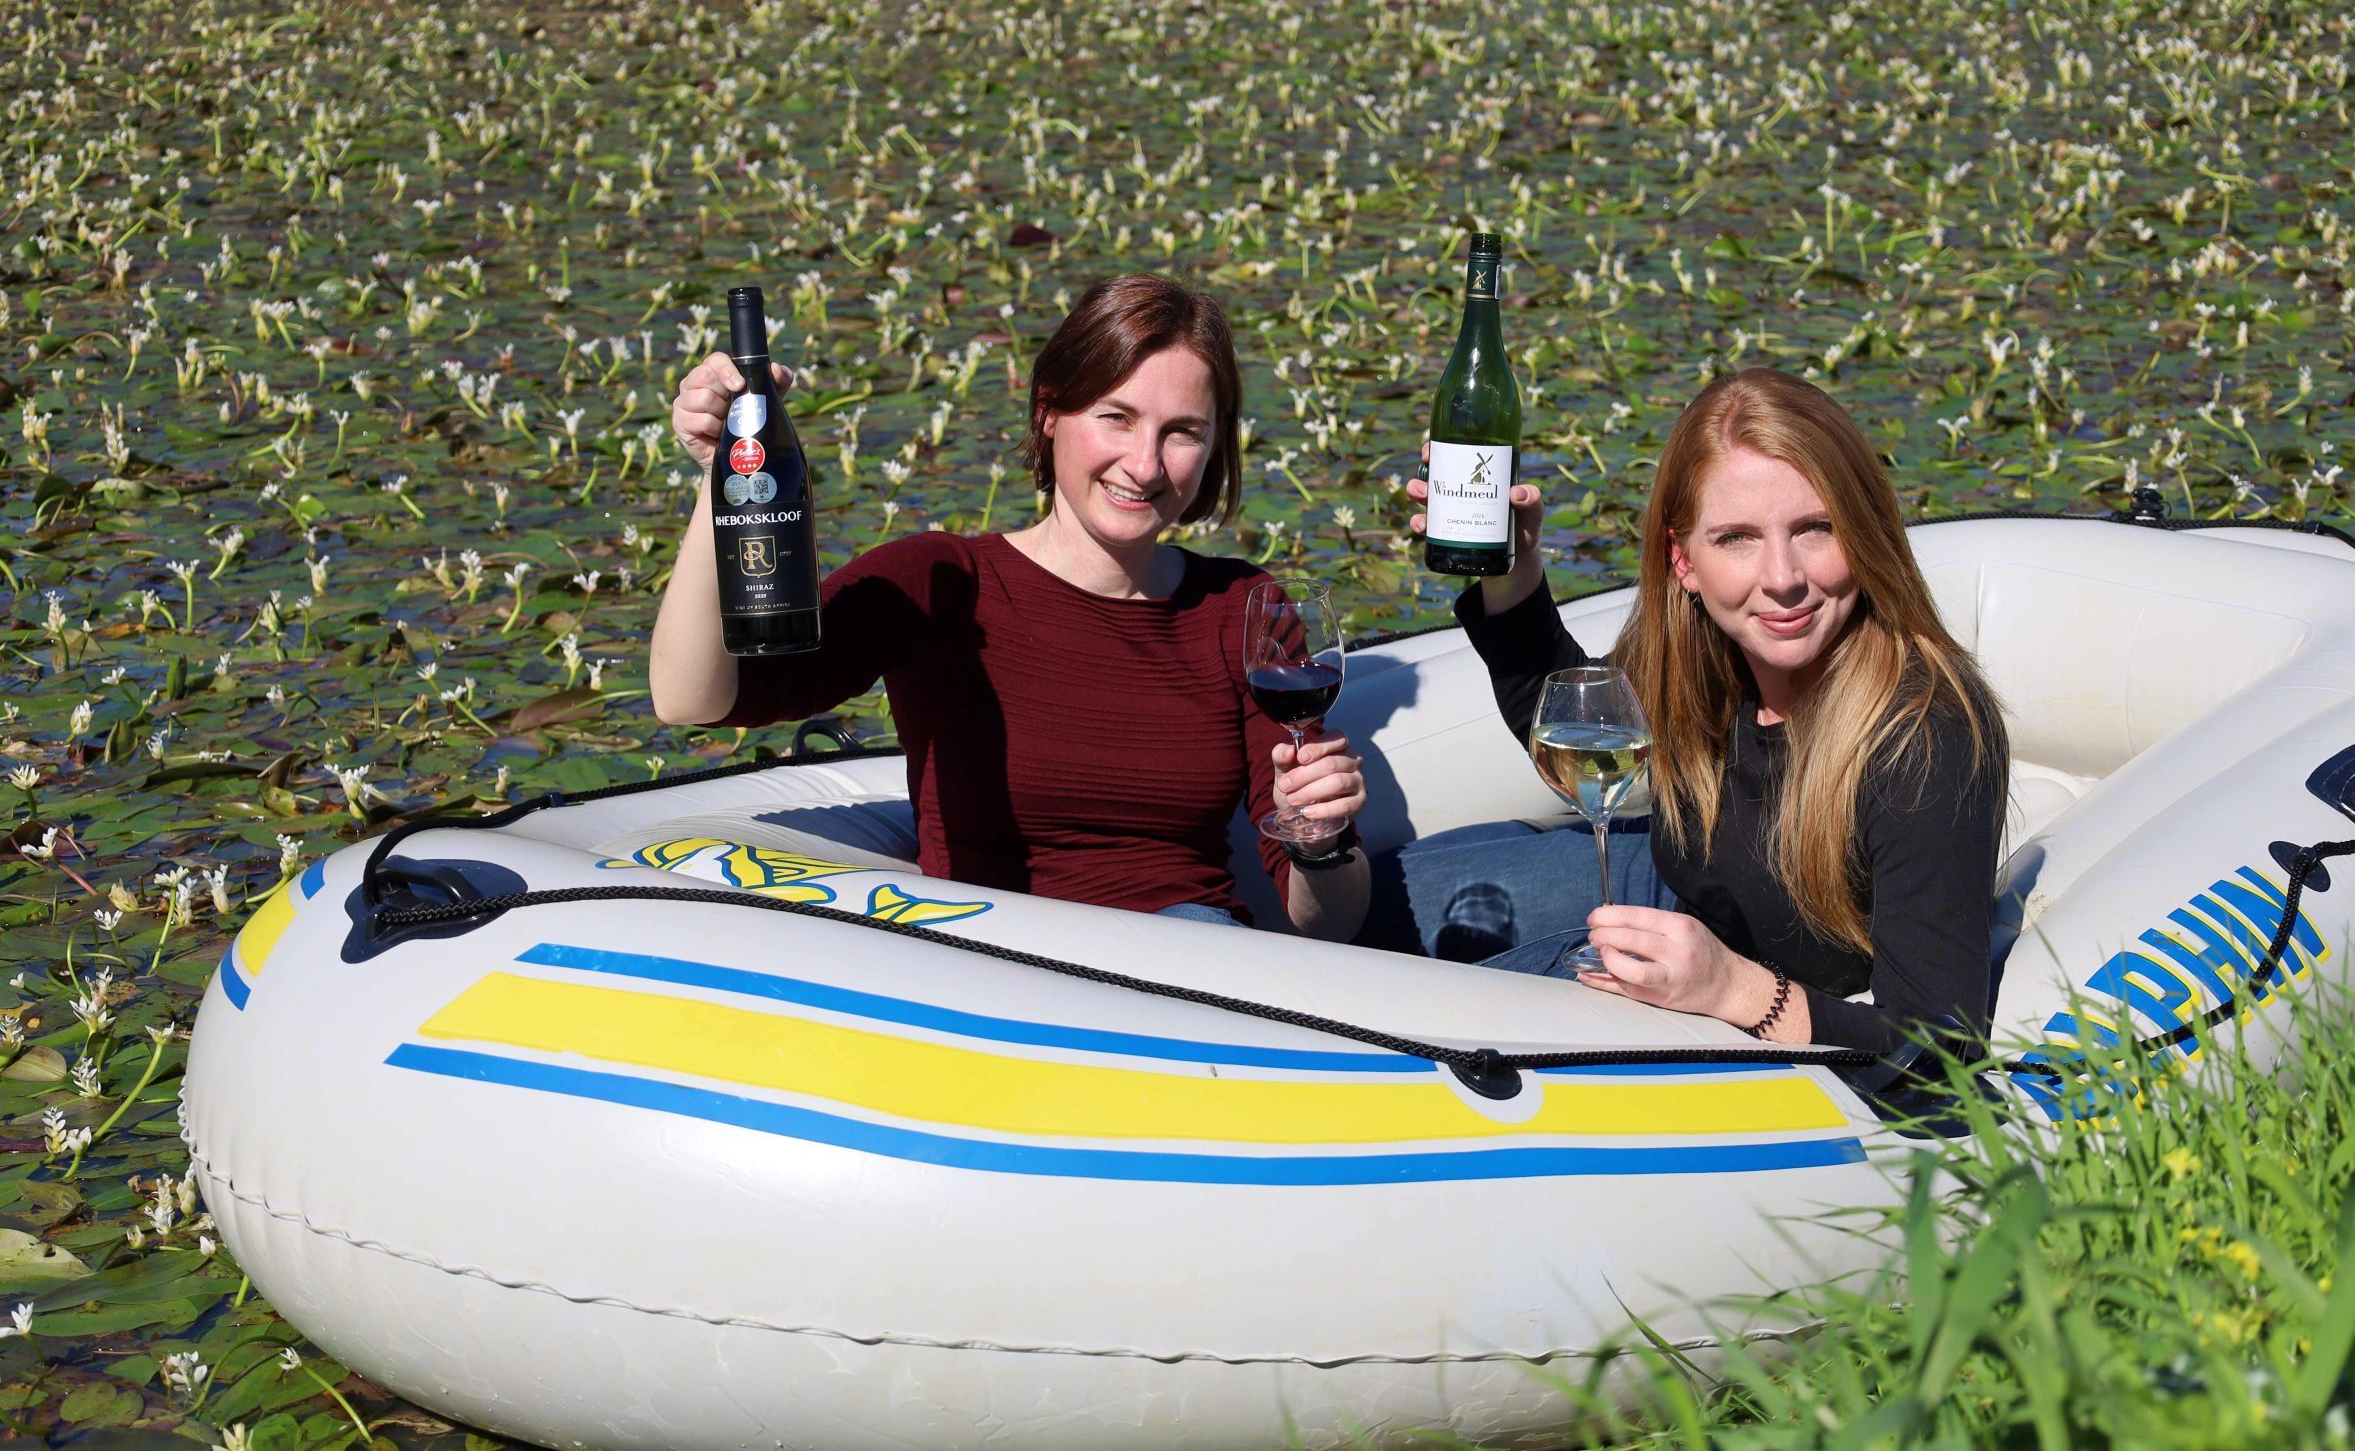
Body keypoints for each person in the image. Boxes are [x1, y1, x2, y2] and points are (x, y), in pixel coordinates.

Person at [649, 273, 1370, 937]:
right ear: (1049, 412)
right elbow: (695, 699)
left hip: (1189, 948)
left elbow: (1326, 926)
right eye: (1115, 417)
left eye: (1181, 431)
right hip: (997, 971)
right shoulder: (937, 581)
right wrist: (722, 477)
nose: (1146, 464)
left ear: (1214, 446)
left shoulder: (1242, 608)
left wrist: (1321, 840)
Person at [1383, 367, 2007, 1061]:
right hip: (1672, 902)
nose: (1781, 578)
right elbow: (1568, 729)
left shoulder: (1925, 737)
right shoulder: (1705, 656)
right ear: (1683, 561)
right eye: (1735, 537)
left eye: (1815, 528)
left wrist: (1736, 992)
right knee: (1380, 907)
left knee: (1410, 1041)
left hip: (1742, 994)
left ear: (1864, 533)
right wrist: (1509, 566)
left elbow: (1941, 1051)